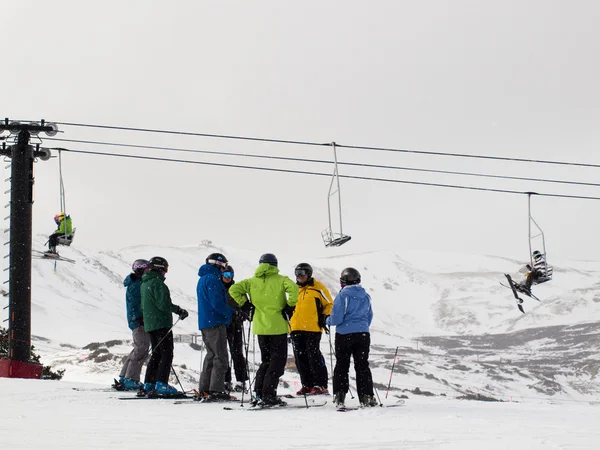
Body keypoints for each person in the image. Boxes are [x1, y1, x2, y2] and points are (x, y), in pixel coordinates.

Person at [229, 253, 298, 407]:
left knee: (266, 361)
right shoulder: (281, 280)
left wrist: (246, 305)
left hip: (260, 327)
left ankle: (259, 392)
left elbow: (233, 289)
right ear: (275, 265)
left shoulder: (251, 281)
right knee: (277, 362)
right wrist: (290, 305)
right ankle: (269, 394)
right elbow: (294, 289)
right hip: (278, 326)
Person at [327, 267, 377, 408]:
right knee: (362, 365)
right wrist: (361, 327)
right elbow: (369, 316)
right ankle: (366, 396)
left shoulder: (343, 295)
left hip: (344, 335)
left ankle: (340, 396)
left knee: (342, 365)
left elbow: (336, 318)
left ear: (343, 282)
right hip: (363, 334)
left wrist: (327, 321)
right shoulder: (366, 296)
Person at [139, 256, 189, 397]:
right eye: (165, 269)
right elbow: (163, 304)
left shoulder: (144, 284)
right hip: (161, 323)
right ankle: (161, 384)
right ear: (160, 268)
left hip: (150, 324)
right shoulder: (158, 284)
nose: (165, 273)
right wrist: (179, 310)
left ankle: (149, 383)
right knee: (166, 354)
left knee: (156, 354)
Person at [290, 262, 333, 396]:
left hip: (312, 328)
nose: (299, 276)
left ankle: (320, 385)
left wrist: (325, 317)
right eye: (297, 273)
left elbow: (329, 304)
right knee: (300, 358)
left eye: (302, 273)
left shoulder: (318, 288)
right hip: (296, 327)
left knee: (313, 356)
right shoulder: (293, 289)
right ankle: (307, 384)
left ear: (309, 274)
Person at [197, 253, 236, 401]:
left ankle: (205, 388)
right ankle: (216, 390)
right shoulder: (213, 279)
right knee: (220, 357)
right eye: (224, 266)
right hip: (215, 322)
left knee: (211, 356)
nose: (224, 269)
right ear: (218, 264)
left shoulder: (203, 279)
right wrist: (232, 312)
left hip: (205, 322)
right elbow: (217, 303)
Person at [115, 259, 151, 391]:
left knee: (138, 348)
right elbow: (136, 304)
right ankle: (131, 379)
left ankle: (125, 377)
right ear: (142, 269)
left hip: (136, 320)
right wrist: (140, 318)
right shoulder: (137, 285)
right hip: (139, 321)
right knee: (141, 349)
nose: (149, 271)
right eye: (147, 269)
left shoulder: (136, 283)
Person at [222, 265, 250, 393]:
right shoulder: (218, 288)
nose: (227, 278)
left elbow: (245, 306)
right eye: (225, 275)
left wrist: (243, 314)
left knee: (237, 353)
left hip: (236, 324)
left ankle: (241, 381)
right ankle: (226, 381)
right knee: (223, 353)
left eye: (230, 275)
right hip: (223, 324)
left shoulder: (237, 289)